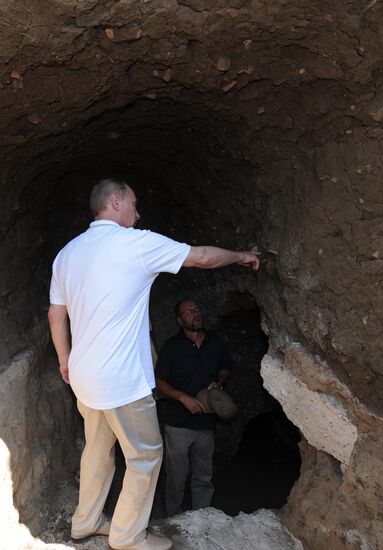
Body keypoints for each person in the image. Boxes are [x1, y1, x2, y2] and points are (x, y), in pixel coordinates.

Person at [47, 177, 260, 550]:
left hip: (85, 377)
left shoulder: (67, 253)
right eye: (133, 204)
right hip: (121, 381)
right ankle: (127, 537)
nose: (138, 212)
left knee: (97, 450)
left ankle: (86, 522)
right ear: (115, 203)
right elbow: (202, 257)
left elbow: (55, 314)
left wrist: (65, 362)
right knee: (145, 455)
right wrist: (241, 256)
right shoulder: (135, 244)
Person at [155, 299, 231, 517]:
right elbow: (159, 383)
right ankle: (173, 520)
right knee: (176, 478)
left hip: (206, 423)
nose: (194, 313)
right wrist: (182, 398)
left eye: (196, 309)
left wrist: (219, 382)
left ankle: (201, 518)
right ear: (180, 320)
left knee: (204, 477)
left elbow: (226, 367)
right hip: (178, 424)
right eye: (188, 312)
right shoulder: (171, 347)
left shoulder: (215, 343)